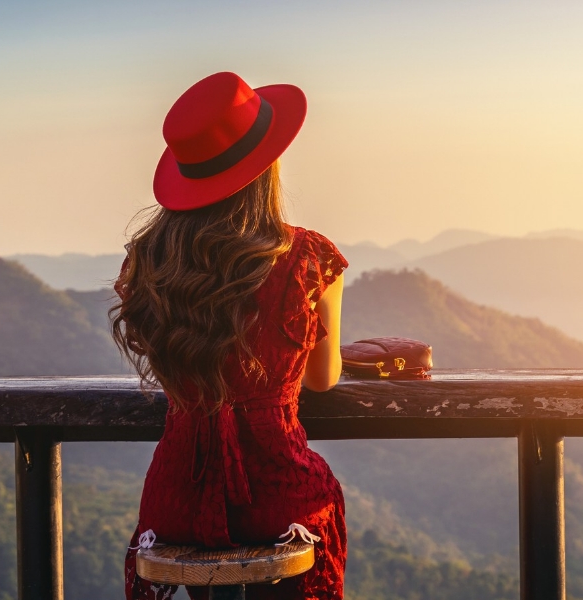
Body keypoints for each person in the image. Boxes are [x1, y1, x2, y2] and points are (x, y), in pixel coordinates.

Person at [111, 72, 348, 600]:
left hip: (177, 497)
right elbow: (323, 379)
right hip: (276, 494)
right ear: (267, 167)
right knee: (317, 504)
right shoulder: (308, 258)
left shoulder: (150, 260)